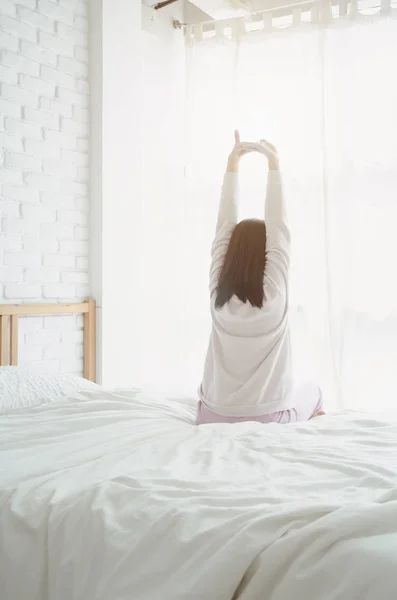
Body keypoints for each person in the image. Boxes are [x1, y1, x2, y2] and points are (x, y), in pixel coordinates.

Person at [196, 131, 325, 425]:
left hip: (211, 416)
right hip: (269, 417)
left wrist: (232, 164)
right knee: (314, 391)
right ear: (266, 253)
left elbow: (223, 228)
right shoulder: (274, 292)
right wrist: (273, 164)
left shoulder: (218, 292)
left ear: (230, 253)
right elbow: (279, 230)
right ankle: (314, 428)